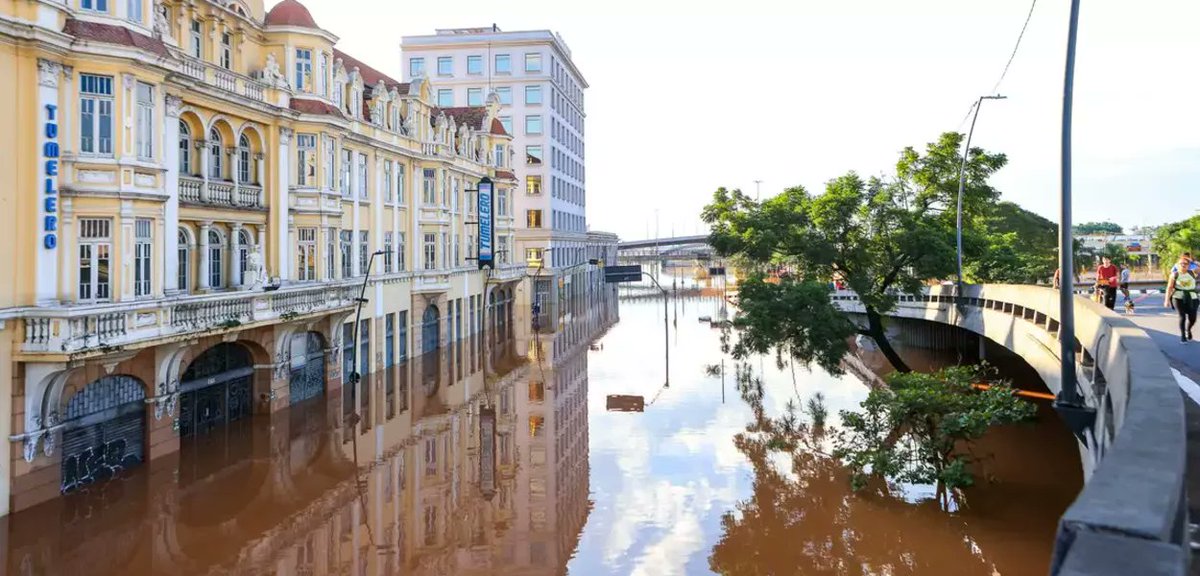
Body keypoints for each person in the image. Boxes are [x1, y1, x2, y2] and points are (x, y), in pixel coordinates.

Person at [1166, 253, 1200, 342]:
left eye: (1186, 264)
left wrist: (1192, 260)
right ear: (1178, 265)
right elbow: (1169, 287)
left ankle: (1188, 330)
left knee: (1193, 318)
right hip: (1178, 297)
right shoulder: (1174, 274)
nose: (1183, 265)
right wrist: (1166, 300)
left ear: (1189, 265)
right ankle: (1182, 336)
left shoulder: (1193, 272)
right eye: (1181, 263)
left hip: (1192, 297)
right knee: (1182, 316)